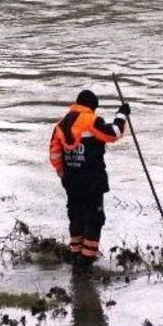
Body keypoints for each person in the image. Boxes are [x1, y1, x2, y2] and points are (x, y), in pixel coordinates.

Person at [49, 89, 130, 267]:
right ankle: (86, 260)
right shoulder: (91, 120)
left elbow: (54, 154)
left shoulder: (61, 125)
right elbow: (114, 133)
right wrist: (122, 114)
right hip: (92, 181)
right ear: (92, 107)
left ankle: (76, 253)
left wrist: (62, 173)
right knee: (94, 219)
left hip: (71, 181)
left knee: (76, 216)